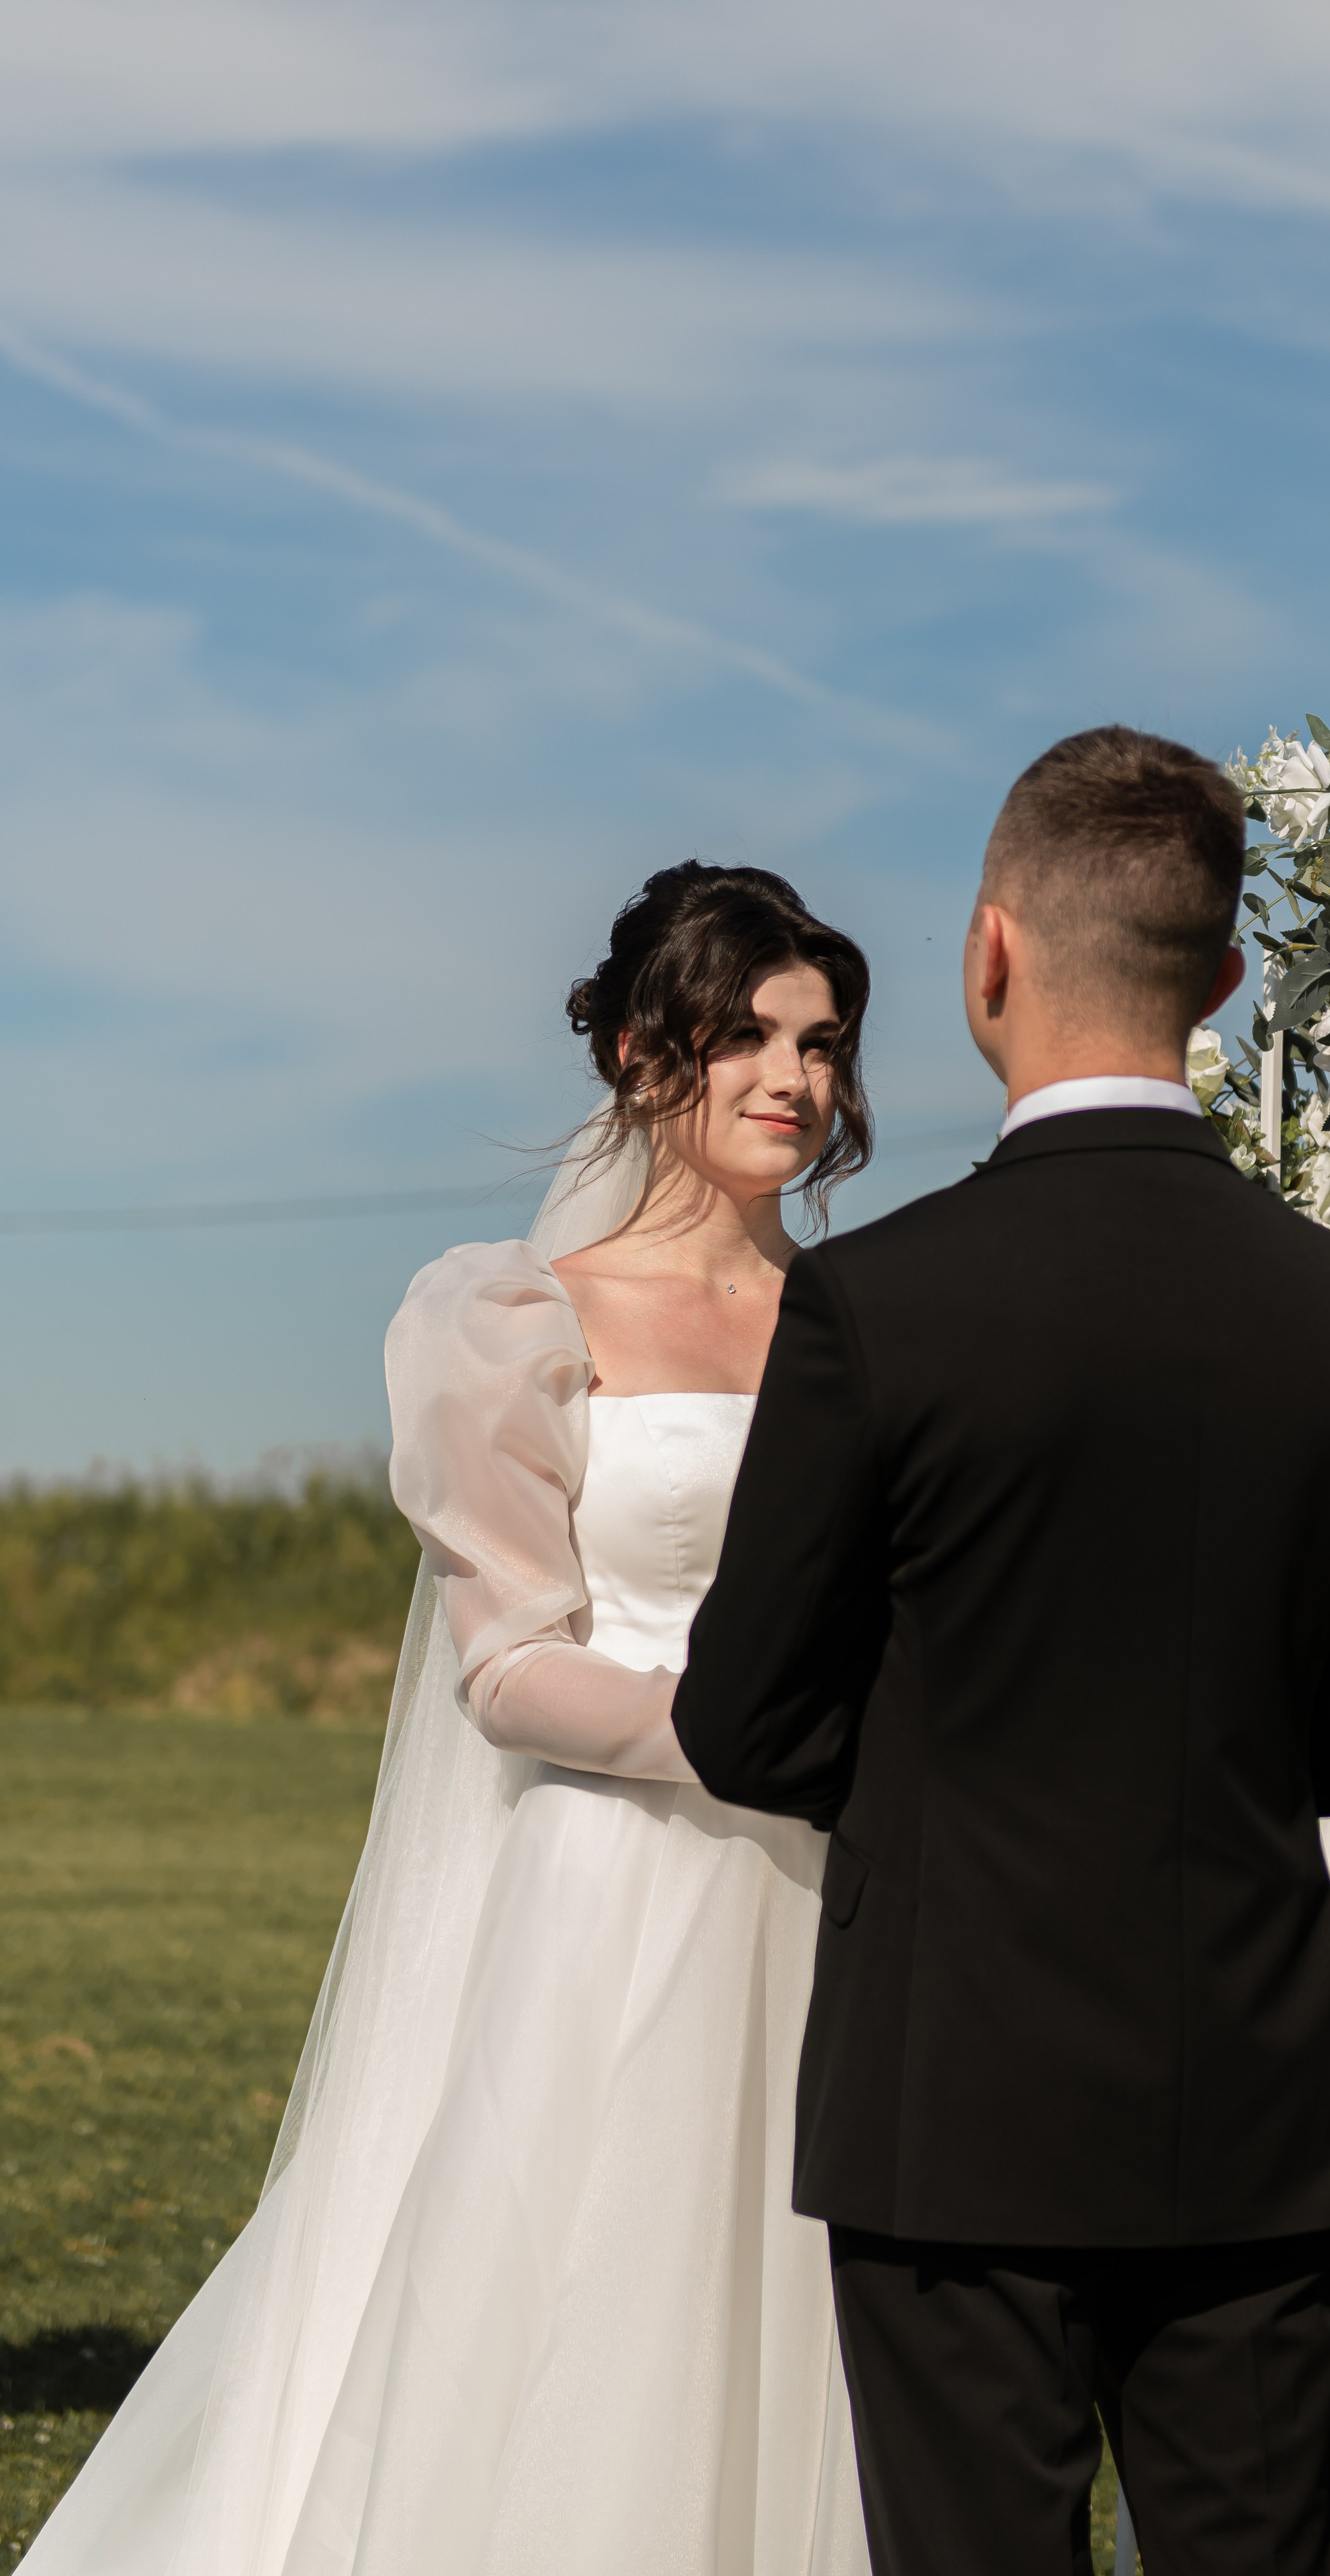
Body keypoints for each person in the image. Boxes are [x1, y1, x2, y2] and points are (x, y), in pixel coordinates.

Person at [24, 861, 875, 2576]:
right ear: (646, 1054)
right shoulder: (516, 1318)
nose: (796, 1077)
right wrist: (742, 1740)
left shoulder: (879, 1321)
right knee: (588, 2325)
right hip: (616, 1896)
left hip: (839, 1896)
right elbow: (507, 1666)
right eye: (751, 1037)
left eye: (824, 1042)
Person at [673, 729, 1330, 2576]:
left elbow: (748, 1716)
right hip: (1256, 2102)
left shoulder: (883, 1301)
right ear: (1229, 984)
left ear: (987, 956)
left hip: (957, 2102)